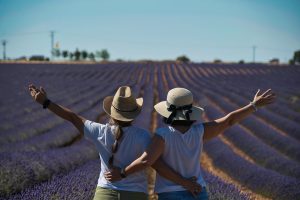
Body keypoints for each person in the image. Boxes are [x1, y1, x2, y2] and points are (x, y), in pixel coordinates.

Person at [28, 84, 201, 200]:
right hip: (135, 195)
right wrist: (185, 182)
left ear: (111, 112)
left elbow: (72, 117)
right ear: (134, 113)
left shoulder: (99, 131)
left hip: (105, 193)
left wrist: (46, 102)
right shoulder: (144, 136)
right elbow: (157, 164)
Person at [104, 87, 276, 200]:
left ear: (167, 112)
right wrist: (253, 105)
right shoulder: (199, 131)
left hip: (170, 194)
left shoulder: (162, 135)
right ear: (190, 113)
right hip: (198, 192)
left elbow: (146, 161)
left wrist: (123, 173)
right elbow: (228, 120)